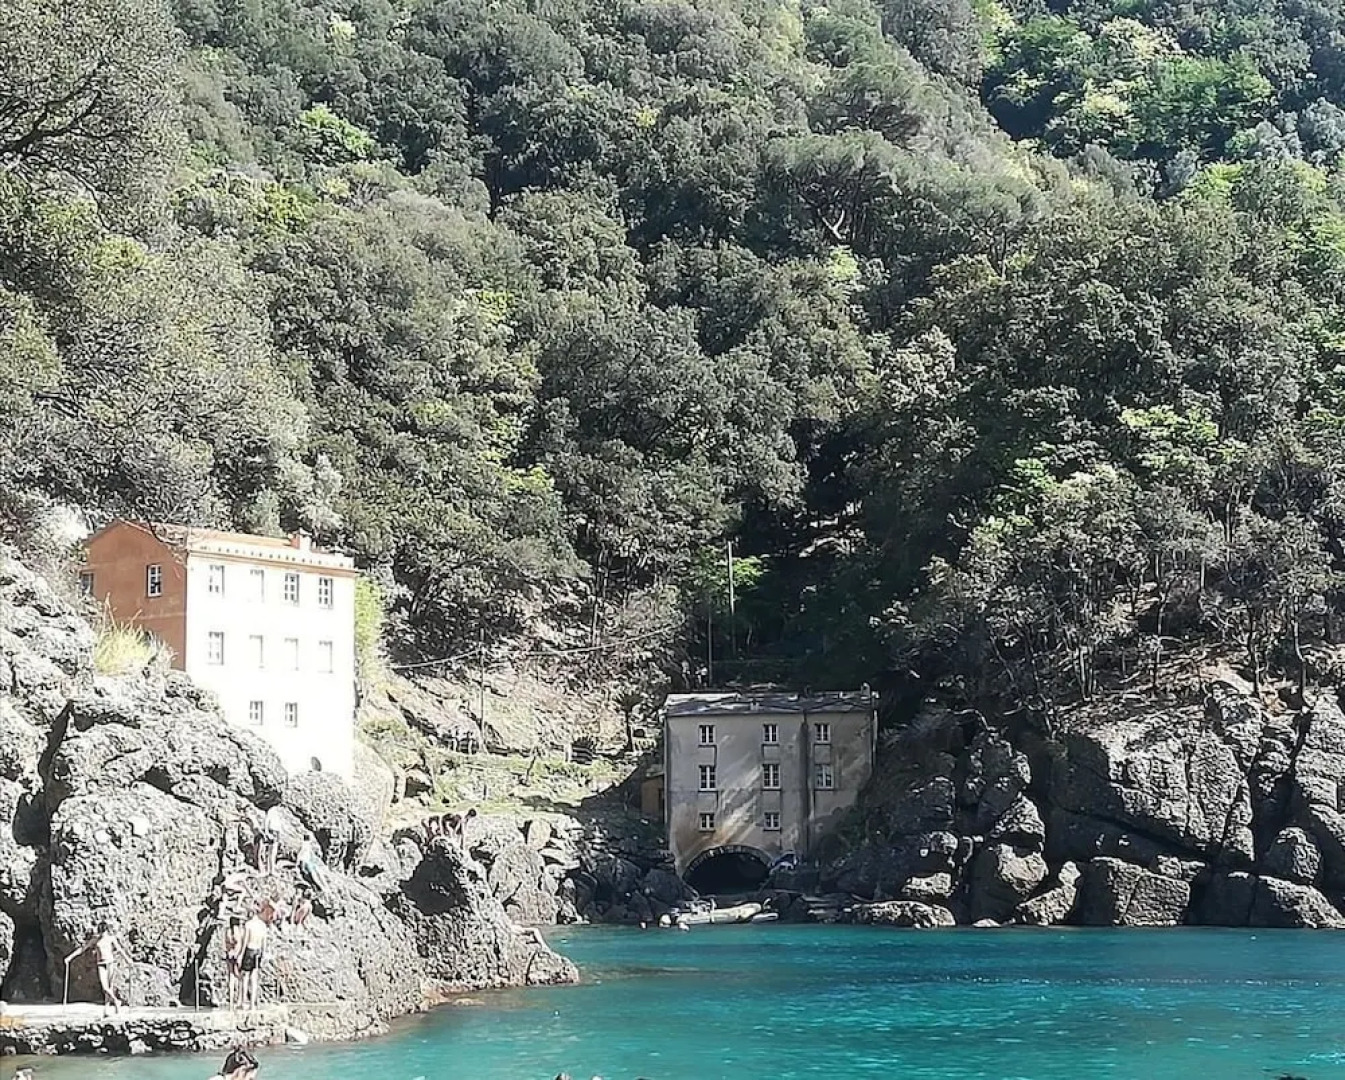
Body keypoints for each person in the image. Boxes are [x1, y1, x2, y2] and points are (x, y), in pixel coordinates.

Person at [65, 923, 131, 1014]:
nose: (102, 934)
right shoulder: (95, 940)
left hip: (110, 963)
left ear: (106, 930)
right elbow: (83, 948)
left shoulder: (111, 938)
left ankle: (110, 1010)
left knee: (109, 988)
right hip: (101, 964)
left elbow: (119, 950)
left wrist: (128, 960)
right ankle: (116, 1001)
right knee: (105, 988)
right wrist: (70, 957)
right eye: (100, 932)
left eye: (103, 932)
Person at [238, 910, 268, 1010]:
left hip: (249, 949)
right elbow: (264, 941)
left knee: (245, 977)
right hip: (258, 950)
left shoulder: (248, 925)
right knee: (254, 977)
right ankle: (252, 1004)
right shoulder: (262, 925)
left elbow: (245, 940)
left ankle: (243, 1002)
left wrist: (241, 955)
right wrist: (263, 953)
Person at [223, 915, 244, 1012]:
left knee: (231, 977)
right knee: (240, 978)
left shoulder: (227, 931)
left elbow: (226, 944)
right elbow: (239, 944)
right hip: (236, 955)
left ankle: (231, 999)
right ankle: (239, 999)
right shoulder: (238, 931)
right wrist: (238, 954)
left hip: (229, 954)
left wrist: (229, 951)